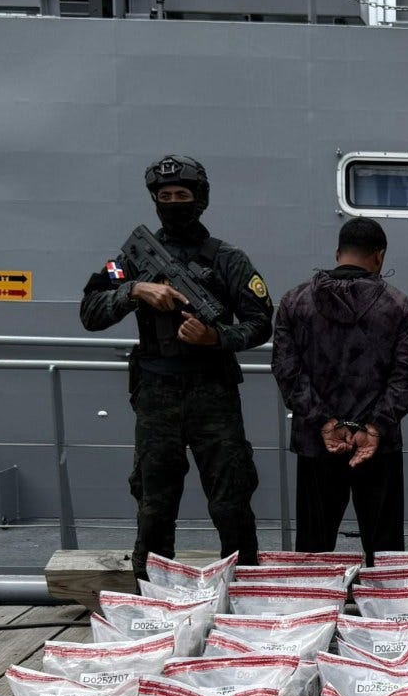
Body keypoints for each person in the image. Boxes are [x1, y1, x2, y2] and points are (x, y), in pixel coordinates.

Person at [79, 154, 272, 577]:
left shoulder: (228, 259)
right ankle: (151, 595)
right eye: (164, 196)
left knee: (231, 501)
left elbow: (261, 323)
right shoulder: (130, 261)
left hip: (213, 394)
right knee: (154, 504)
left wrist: (215, 337)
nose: (172, 203)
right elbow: (90, 311)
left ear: (199, 199)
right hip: (156, 395)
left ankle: (243, 590)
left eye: (181, 194)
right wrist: (135, 290)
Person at [271, 216, 408, 558]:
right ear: (379, 256)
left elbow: (286, 370)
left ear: (338, 253)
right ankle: (384, 594)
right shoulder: (398, 305)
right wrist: (375, 425)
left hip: (317, 442)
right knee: (384, 552)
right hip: (377, 445)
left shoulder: (294, 302)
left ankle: (316, 593)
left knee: (314, 550)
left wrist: (325, 421)